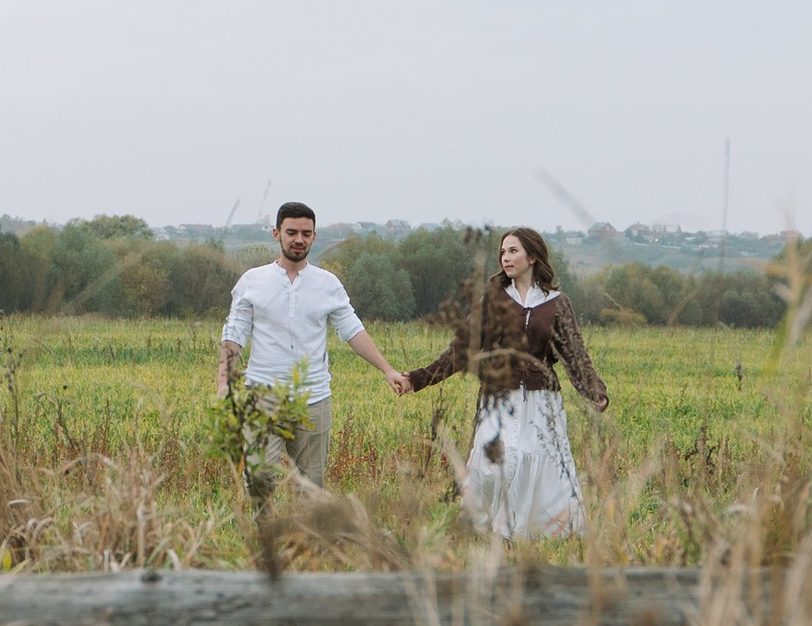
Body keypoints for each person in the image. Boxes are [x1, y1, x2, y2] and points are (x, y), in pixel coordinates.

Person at [398, 228, 609, 539]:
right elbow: (461, 350)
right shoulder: (494, 300)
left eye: (513, 251)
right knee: (491, 464)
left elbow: (574, 354)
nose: (505, 258)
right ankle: (481, 527)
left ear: (533, 256)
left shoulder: (557, 303)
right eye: (503, 252)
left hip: (542, 402)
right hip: (498, 399)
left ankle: (535, 532)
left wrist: (595, 392)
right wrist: (417, 379)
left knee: (537, 463)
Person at [216, 202, 404, 491]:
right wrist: (223, 384)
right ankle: (265, 534)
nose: (299, 239)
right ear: (276, 233)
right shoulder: (252, 281)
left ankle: (304, 537)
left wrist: (387, 369)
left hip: (313, 399)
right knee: (258, 479)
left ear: (314, 236)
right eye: (291, 232)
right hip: (263, 397)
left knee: (311, 486)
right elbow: (234, 335)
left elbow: (352, 330)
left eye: (306, 233)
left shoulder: (328, 284)